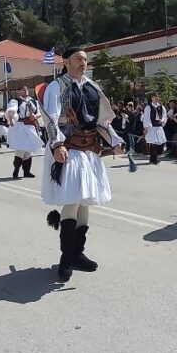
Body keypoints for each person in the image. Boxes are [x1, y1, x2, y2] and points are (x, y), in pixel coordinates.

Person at [41, 46, 125, 282]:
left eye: (85, 59)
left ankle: (77, 253)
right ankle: (66, 258)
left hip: (90, 151)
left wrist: (115, 142)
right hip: (70, 148)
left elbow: (103, 122)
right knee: (73, 201)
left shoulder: (92, 87)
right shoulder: (57, 86)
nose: (83, 62)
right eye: (78, 59)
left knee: (85, 201)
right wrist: (57, 145)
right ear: (66, 62)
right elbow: (50, 119)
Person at [6, 85, 44, 179]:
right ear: (19, 92)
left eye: (26, 90)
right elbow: (11, 111)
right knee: (21, 147)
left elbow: (39, 112)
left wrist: (35, 116)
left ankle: (26, 171)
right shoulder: (16, 101)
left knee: (28, 149)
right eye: (23, 90)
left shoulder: (33, 101)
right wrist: (11, 120)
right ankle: (16, 169)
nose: (25, 91)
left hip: (30, 126)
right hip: (20, 127)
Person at [142, 93, 167, 165]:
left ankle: (155, 156)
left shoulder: (161, 107)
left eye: (157, 96)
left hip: (159, 127)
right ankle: (153, 159)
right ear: (152, 98)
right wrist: (147, 127)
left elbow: (164, 116)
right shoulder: (148, 107)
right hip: (152, 127)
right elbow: (146, 117)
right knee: (153, 144)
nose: (156, 98)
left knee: (160, 143)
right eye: (154, 97)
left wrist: (162, 121)